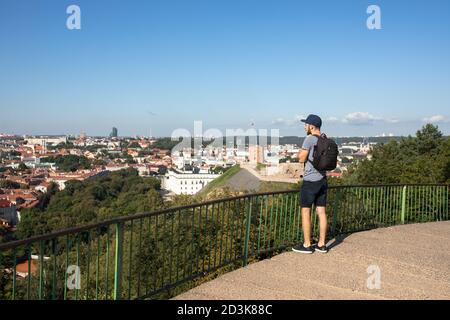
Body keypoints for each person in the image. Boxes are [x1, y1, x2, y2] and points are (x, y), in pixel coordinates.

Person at [292, 114, 328, 254]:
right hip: (323, 180)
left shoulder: (309, 139)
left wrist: (298, 154)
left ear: (312, 126)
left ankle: (307, 245)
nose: (304, 126)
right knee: (321, 212)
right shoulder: (325, 138)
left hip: (310, 181)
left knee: (306, 211)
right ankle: (322, 244)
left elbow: (302, 159)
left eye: (306, 124)